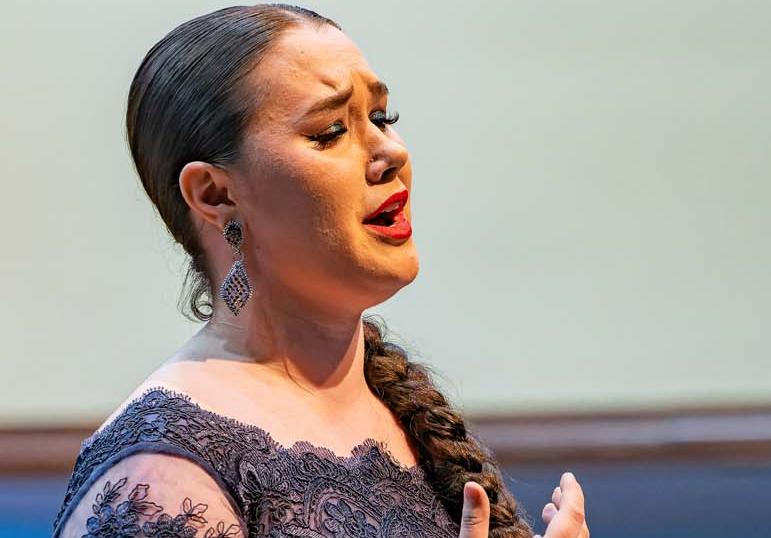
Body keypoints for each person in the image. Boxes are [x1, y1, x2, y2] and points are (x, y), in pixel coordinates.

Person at [51, 4, 590, 538]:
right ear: (215, 194)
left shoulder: (398, 408)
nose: (389, 152)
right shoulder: (162, 473)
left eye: (381, 118)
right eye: (331, 130)